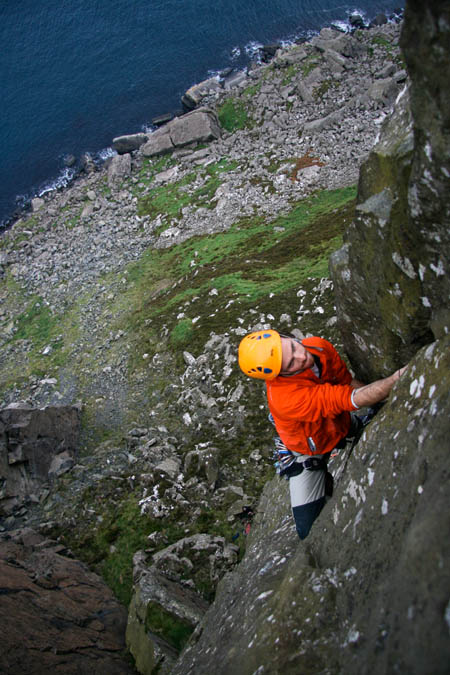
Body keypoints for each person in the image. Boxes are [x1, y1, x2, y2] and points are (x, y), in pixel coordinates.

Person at [238, 329, 406, 540]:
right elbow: (349, 399)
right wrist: (397, 380)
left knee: (349, 419)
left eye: (292, 346)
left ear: (287, 337)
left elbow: (347, 384)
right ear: (280, 376)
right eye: (291, 364)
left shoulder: (318, 346)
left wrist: (380, 401)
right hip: (307, 450)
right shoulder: (286, 399)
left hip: (338, 424)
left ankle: (351, 428)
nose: (301, 356)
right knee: (308, 530)